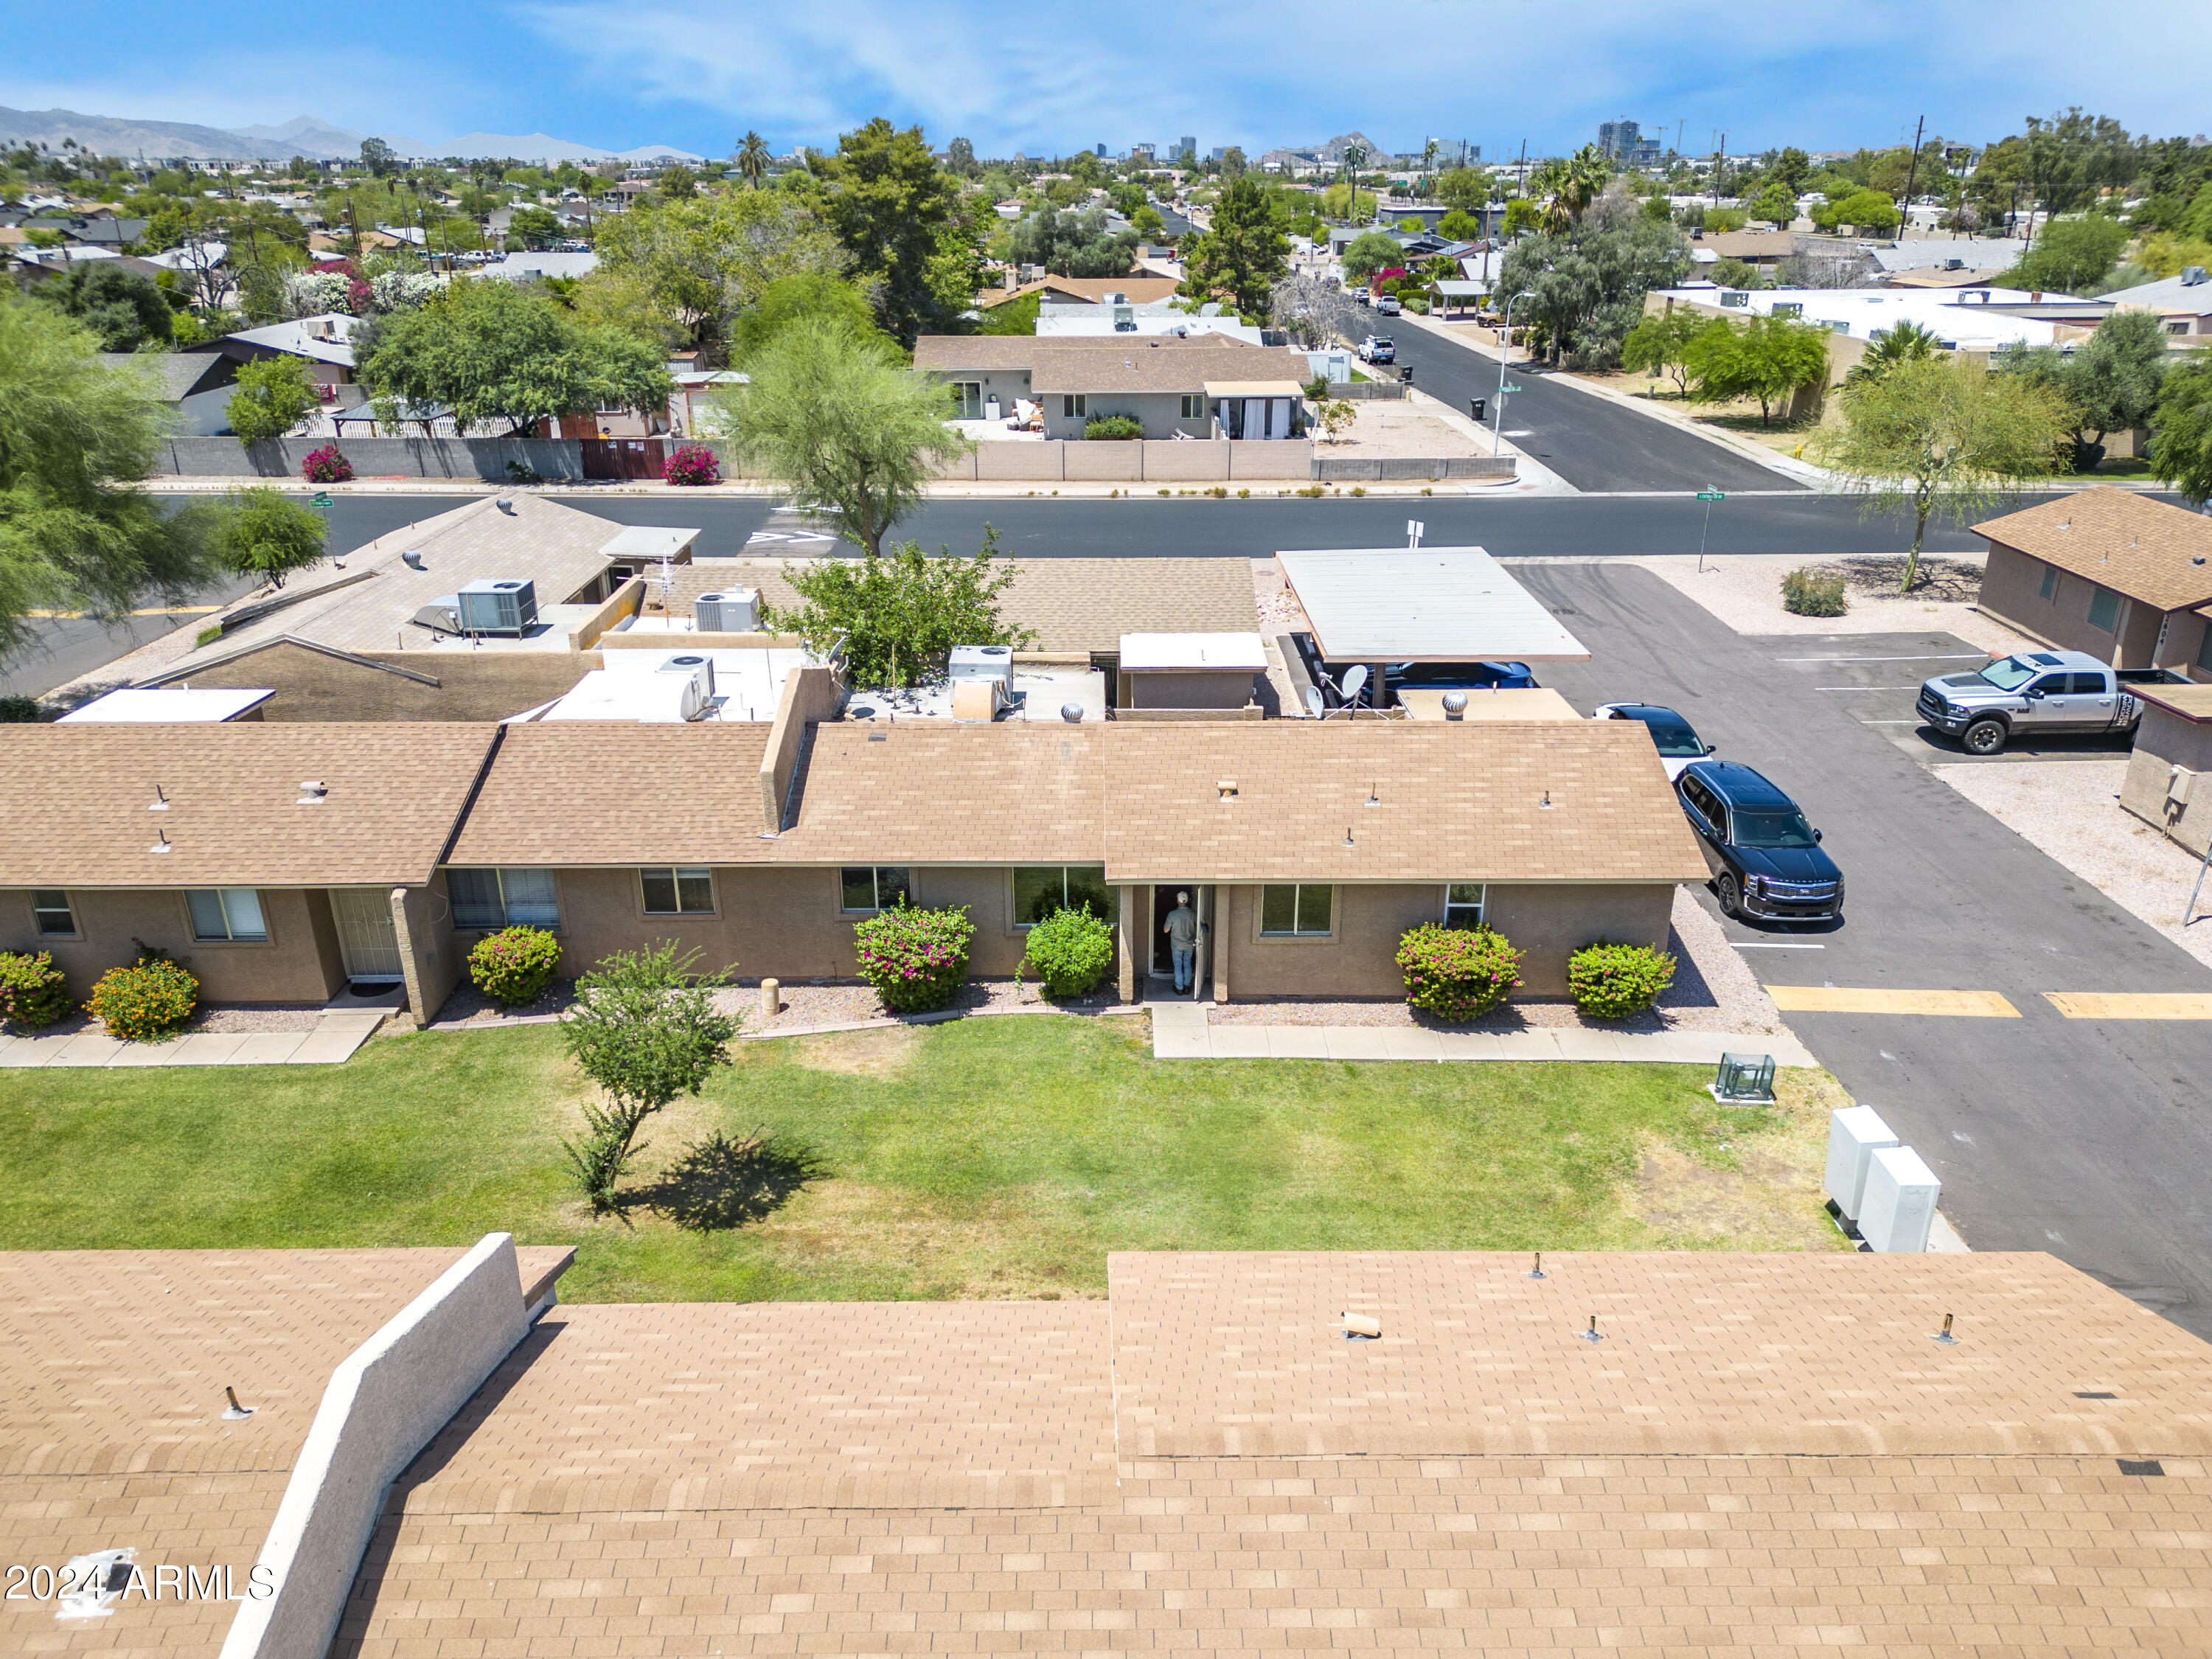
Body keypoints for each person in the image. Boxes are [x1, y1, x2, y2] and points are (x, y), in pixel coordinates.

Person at [1163, 890, 1199, 992]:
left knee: (1178, 964)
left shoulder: (1172, 914)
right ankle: (1187, 987)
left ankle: (1179, 988)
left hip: (1177, 944)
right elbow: (1199, 926)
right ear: (1187, 901)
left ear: (1177, 901)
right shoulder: (1193, 913)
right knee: (1187, 963)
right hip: (1189, 943)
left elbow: (1166, 930)